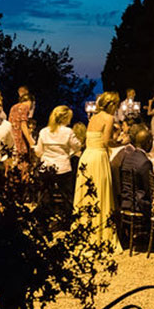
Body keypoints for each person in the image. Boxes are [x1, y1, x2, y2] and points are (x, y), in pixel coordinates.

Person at [74, 91, 120, 248]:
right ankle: (100, 235)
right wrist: (120, 140)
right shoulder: (108, 118)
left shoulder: (93, 117)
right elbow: (106, 141)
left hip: (87, 156)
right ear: (112, 105)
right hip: (98, 157)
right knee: (100, 195)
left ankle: (85, 231)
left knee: (87, 196)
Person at [34, 105, 80, 227]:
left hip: (47, 167)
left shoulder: (44, 131)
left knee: (45, 195)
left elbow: (38, 151)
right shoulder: (68, 132)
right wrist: (67, 154)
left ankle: (42, 223)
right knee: (67, 196)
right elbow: (77, 147)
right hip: (63, 167)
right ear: (65, 118)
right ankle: (66, 222)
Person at [7, 87, 37, 175]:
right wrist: (31, 142)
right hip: (20, 140)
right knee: (22, 165)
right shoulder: (25, 107)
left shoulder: (13, 107)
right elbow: (23, 125)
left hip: (11, 139)